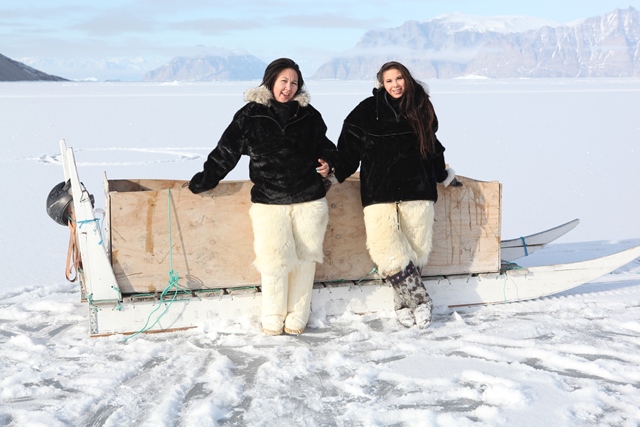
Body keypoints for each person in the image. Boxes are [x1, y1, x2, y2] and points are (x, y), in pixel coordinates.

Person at [188, 58, 339, 336]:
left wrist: (328, 162)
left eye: (294, 82)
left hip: (309, 199)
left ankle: (297, 315)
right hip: (270, 202)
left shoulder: (309, 115)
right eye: (284, 81)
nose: (289, 88)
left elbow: (327, 147)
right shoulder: (251, 114)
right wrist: (207, 179)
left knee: (306, 260)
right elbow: (226, 151)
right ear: (271, 80)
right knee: (273, 261)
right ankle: (273, 315)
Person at [334, 61, 462, 329]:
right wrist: (335, 172)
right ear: (381, 83)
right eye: (389, 80)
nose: (395, 85)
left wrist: (442, 174)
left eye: (399, 78)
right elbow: (348, 147)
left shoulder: (421, 106)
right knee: (386, 250)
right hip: (378, 192)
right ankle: (421, 301)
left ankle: (401, 304)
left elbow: (433, 148)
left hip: (418, 189)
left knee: (414, 251)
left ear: (407, 79)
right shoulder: (367, 110)